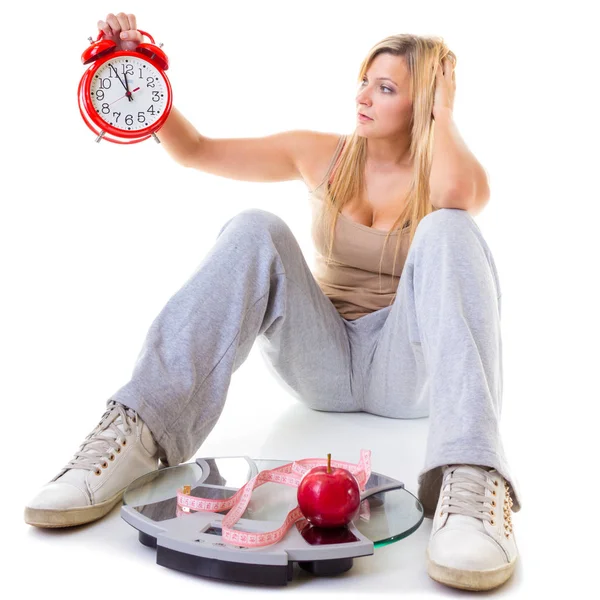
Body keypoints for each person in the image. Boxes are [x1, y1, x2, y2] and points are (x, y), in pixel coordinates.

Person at [25, 11, 522, 592]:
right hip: (322, 358)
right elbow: (197, 150)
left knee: (449, 229)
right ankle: (138, 432)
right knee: (254, 226)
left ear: (425, 104)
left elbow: (459, 197)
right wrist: (133, 68)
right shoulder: (320, 154)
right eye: (363, 80)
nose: (363, 97)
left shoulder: (444, 171)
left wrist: (444, 115)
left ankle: (471, 482)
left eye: (386, 89)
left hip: (407, 372)